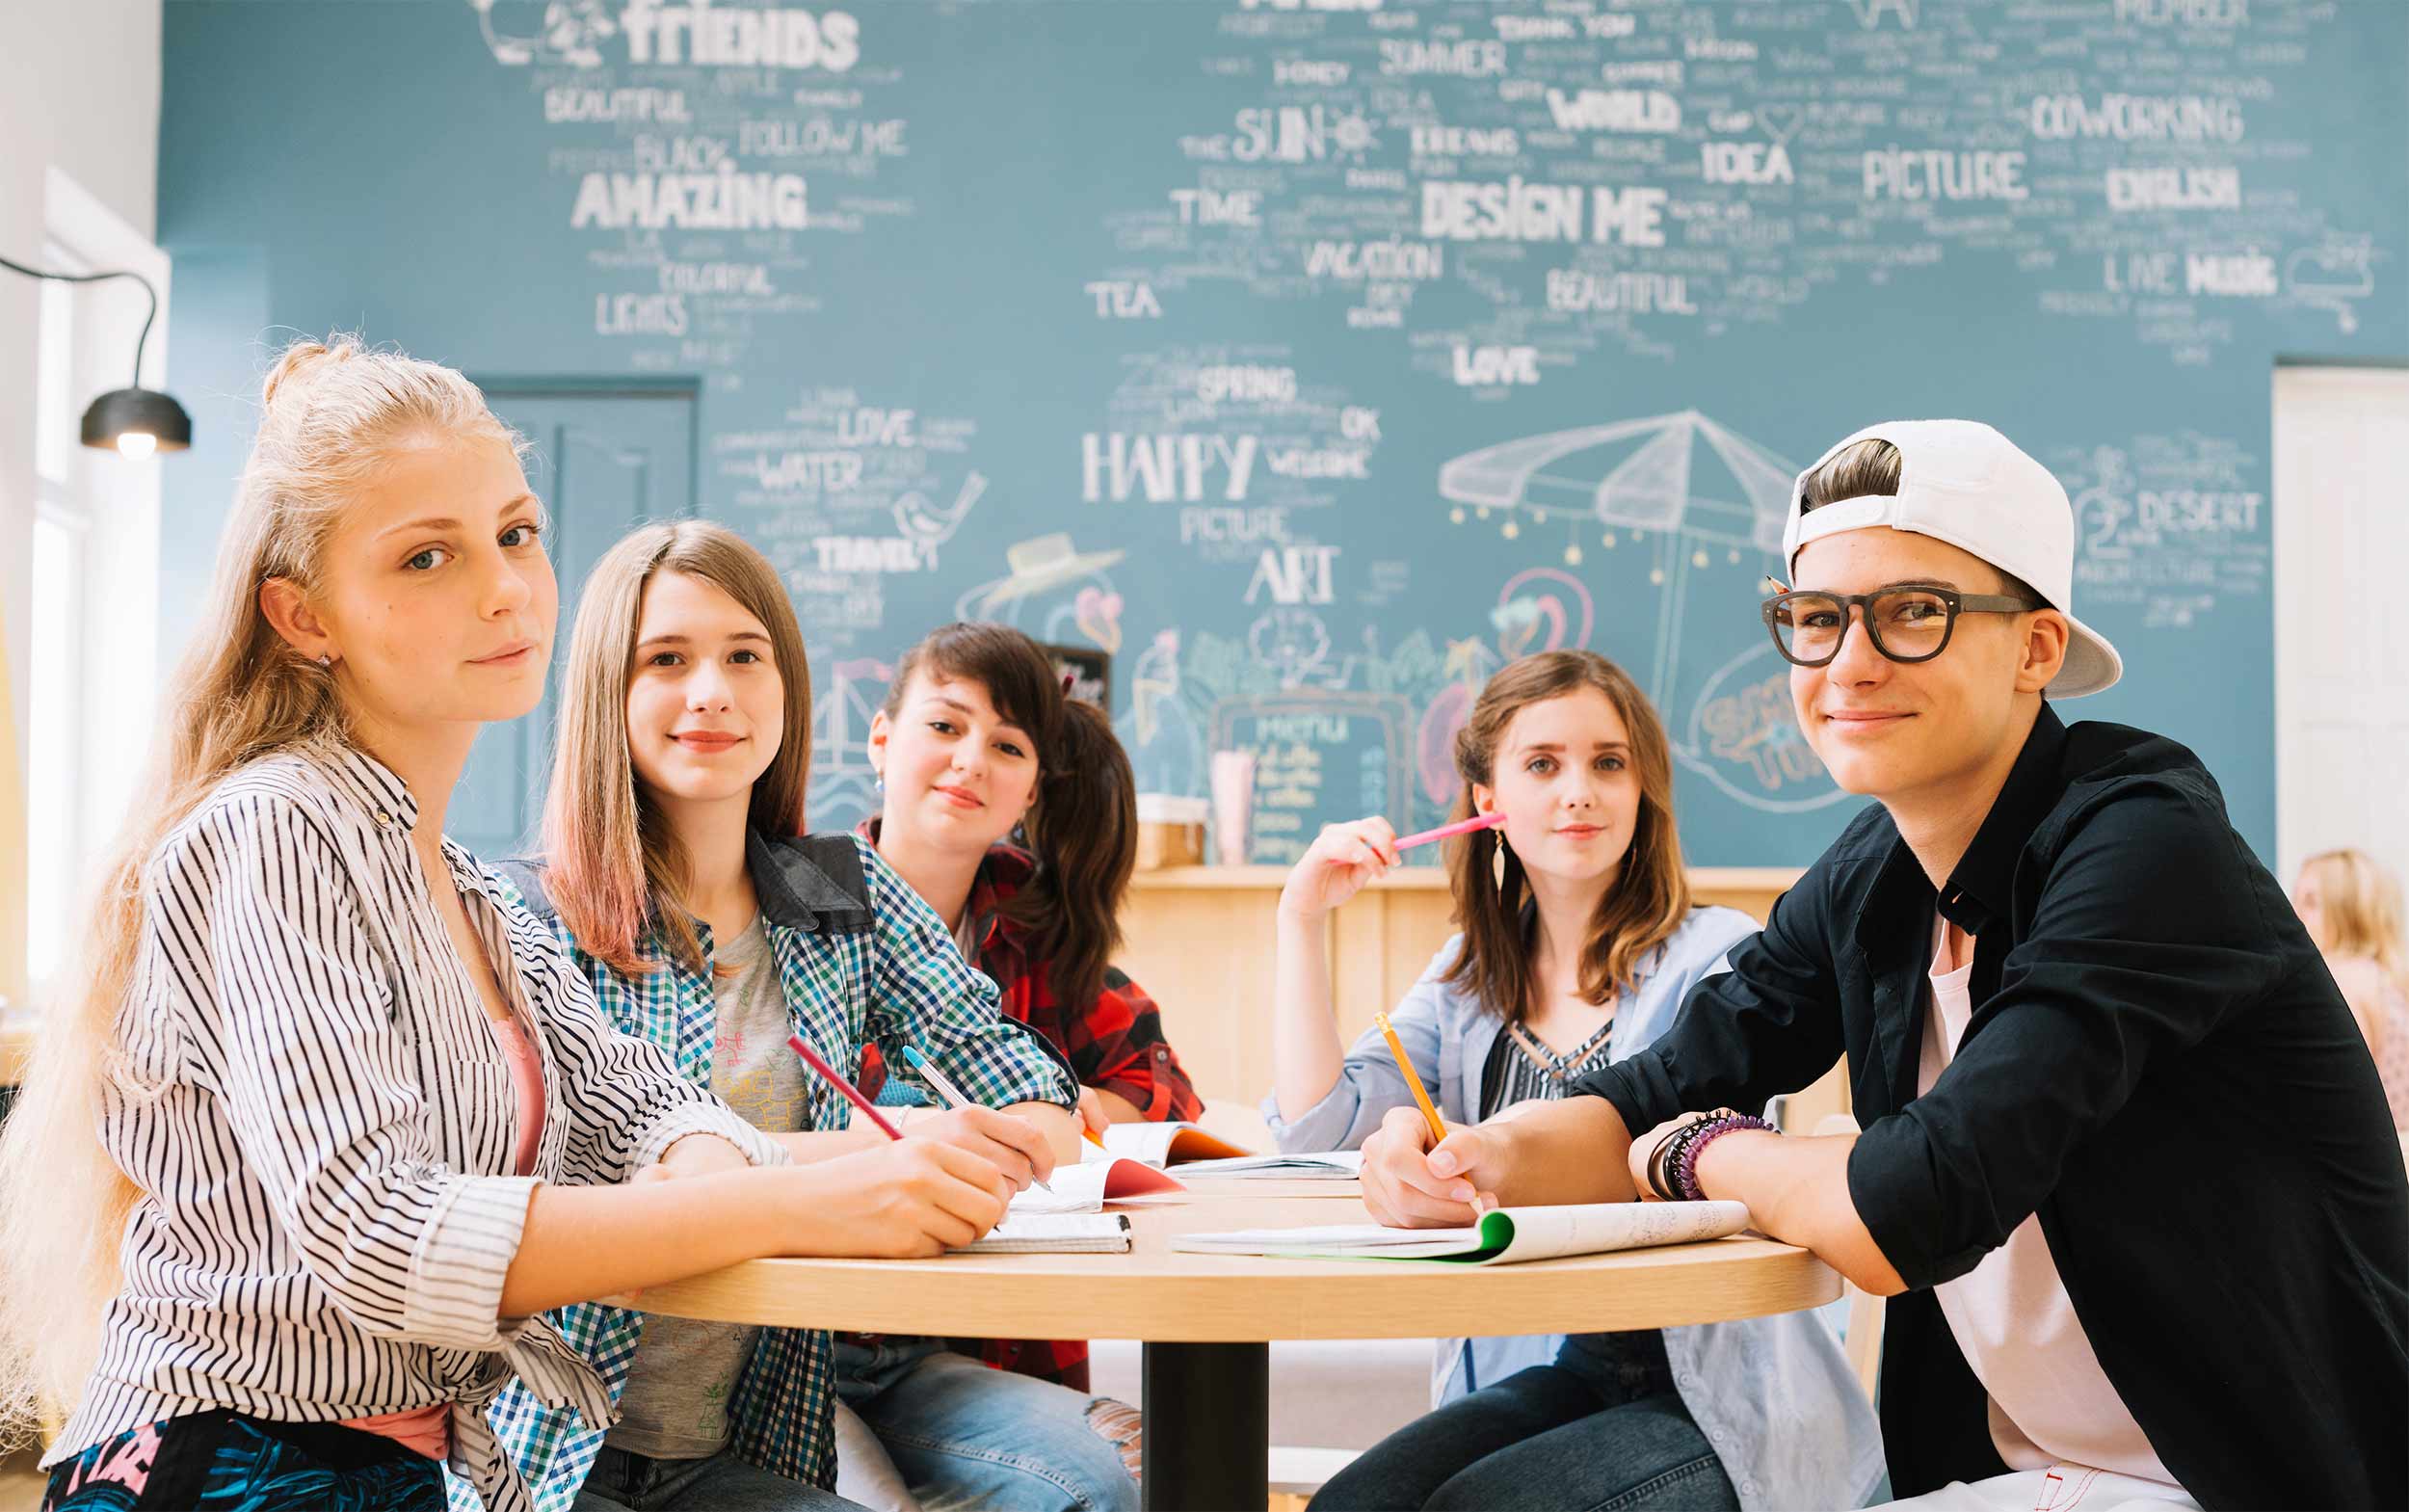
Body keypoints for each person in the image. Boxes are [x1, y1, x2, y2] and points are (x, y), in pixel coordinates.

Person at [0, 339, 1019, 1512]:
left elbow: (640, 1110)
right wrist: (805, 1195)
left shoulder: (471, 894)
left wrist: (875, 1160)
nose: (503, 588)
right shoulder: (276, 828)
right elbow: (377, 1228)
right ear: (303, 615)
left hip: (407, 1470)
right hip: (233, 1468)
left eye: (517, 534)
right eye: (428, 556)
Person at [1356, 420, 2408, 1511]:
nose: (1848, 664)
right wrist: (1467, 1157)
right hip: (2027, 1477)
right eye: (1816, 620)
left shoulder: (2144, 846)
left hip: (2250, 1476)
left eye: (1914, 612)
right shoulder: (1871, 878)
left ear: (2037, 649)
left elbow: (1905, 1206)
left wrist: (1710, 1152)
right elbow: (1643, 1100)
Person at [482, 522, 1137, 1512]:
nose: (711, 690)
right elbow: (610, 1182)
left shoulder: (835, 887)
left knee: (1093, 1483)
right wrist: (889, 1149)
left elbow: (1020, 1074)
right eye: (667, 659)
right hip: (547, 1456)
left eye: (745, 657)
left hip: (739, 1447)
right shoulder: (526, 914)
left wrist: (1014, 1128)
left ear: (786, 689)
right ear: (606, 692)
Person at [1266, 649, 1884, 1512]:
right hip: (1573, 1369)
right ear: (1489, 803)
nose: (1579, 791)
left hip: (1717, 1394)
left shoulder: (1719, 959)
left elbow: (1706, 1175)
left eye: (1609, 762)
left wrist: (1481, 1152)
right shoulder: (1464, 979)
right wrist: (1301, 917)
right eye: (1543, 765)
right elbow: (1317, 1124)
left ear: (1643, 790)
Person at [856, 622, 1201, 1417]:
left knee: (1130, 1460)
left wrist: (1076, 1109)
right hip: (842, 1325)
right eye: (944, 726)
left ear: (1035, 787)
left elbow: (1164, 1082)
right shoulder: (799, 903)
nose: (971, 760)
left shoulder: (1035, 920)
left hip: (1006, 1344)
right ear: (881, 739)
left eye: (1008, 747)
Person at [2293, 847, 2409, 1126]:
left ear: (2350, 911)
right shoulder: (2389, 979)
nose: (2294, 913)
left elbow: (2333, 1100)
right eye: (2293, 899)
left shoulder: (2341, 979)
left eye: (2310, 902)